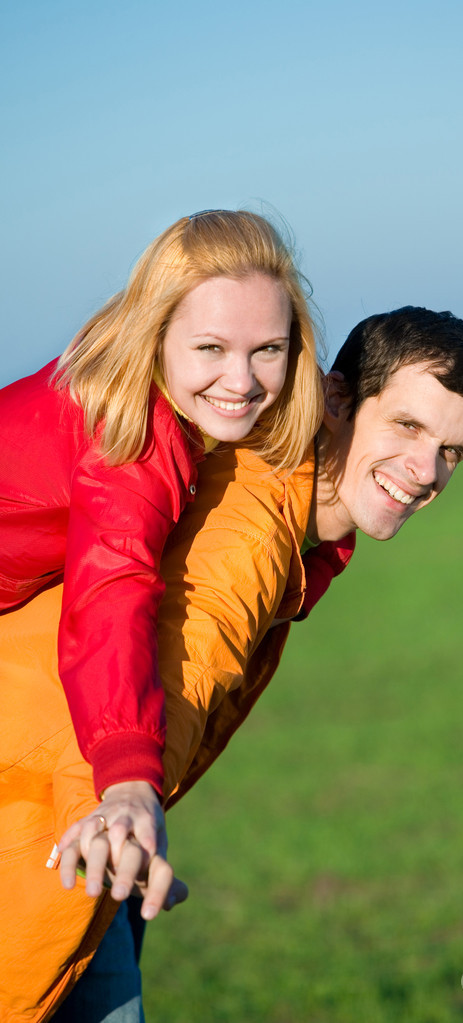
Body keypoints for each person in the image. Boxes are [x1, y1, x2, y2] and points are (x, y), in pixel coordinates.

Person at [0, 306, 463, 1021]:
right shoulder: (254, 525)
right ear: (336, 401)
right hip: (48, 816)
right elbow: (175, 670)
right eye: (408, 427)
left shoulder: (301, 524)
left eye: (454, 450)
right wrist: (120, 808)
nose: (425, 472)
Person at [0, 210, 322, 871]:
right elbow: (112, 590)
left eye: (267, 349)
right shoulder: (135, 437)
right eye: (211, 348)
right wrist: (126, 775)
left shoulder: (136, 392)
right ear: (157, 334)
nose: (241, 380)